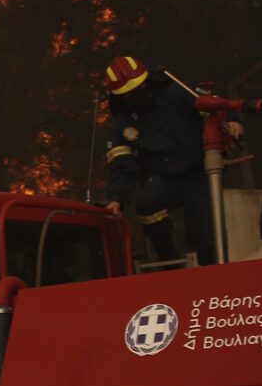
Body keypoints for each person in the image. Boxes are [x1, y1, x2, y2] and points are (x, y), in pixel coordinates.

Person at [101, 54, 242, 266]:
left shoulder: (175, 92)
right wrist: (116, 199)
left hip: (197, 172)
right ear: (121, 97)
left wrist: (232, 121)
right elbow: (123, 166)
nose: (138, 95)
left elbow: (215, 105)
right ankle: (169, 259)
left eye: (140, 87)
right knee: (147, 205)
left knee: (205, 236)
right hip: (161, 176)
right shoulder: (123, 125)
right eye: (130, 93)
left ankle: (212, 279)